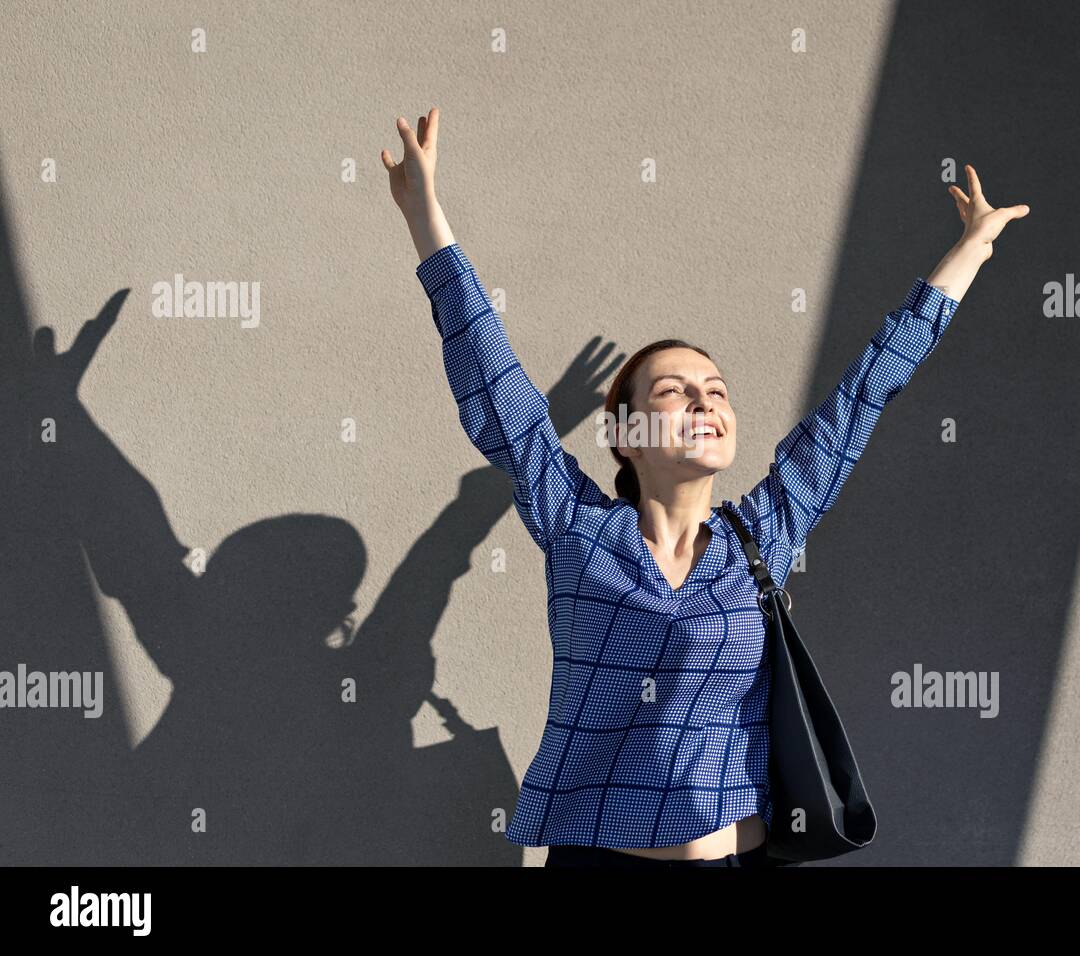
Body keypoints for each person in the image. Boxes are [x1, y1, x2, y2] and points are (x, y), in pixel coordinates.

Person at [382, 106, 1028, 867]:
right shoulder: (578, 531)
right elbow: (494, 389)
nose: (705, 403)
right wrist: (425, 215)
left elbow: (862, 395)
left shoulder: (765, 533)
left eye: (716, 390)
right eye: (674, 392)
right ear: (624, 436)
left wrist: (969, 255)